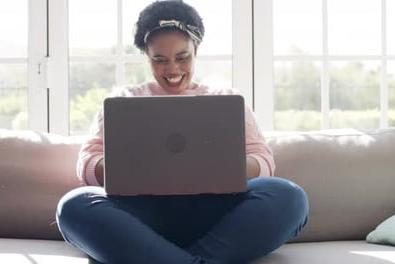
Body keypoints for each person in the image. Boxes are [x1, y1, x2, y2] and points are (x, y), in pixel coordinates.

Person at [56, 1, 309, 263]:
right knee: (74, 206)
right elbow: (87, 163)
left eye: (182, 57)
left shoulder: (225, 99)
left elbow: (264, 162)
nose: (173, 69)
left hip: (216, 216)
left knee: (290, 197)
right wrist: (130, 168)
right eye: (160, 60)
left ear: (196, 50)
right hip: (142, 218)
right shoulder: (124, 100)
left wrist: (221, 166)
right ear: (147, 57)